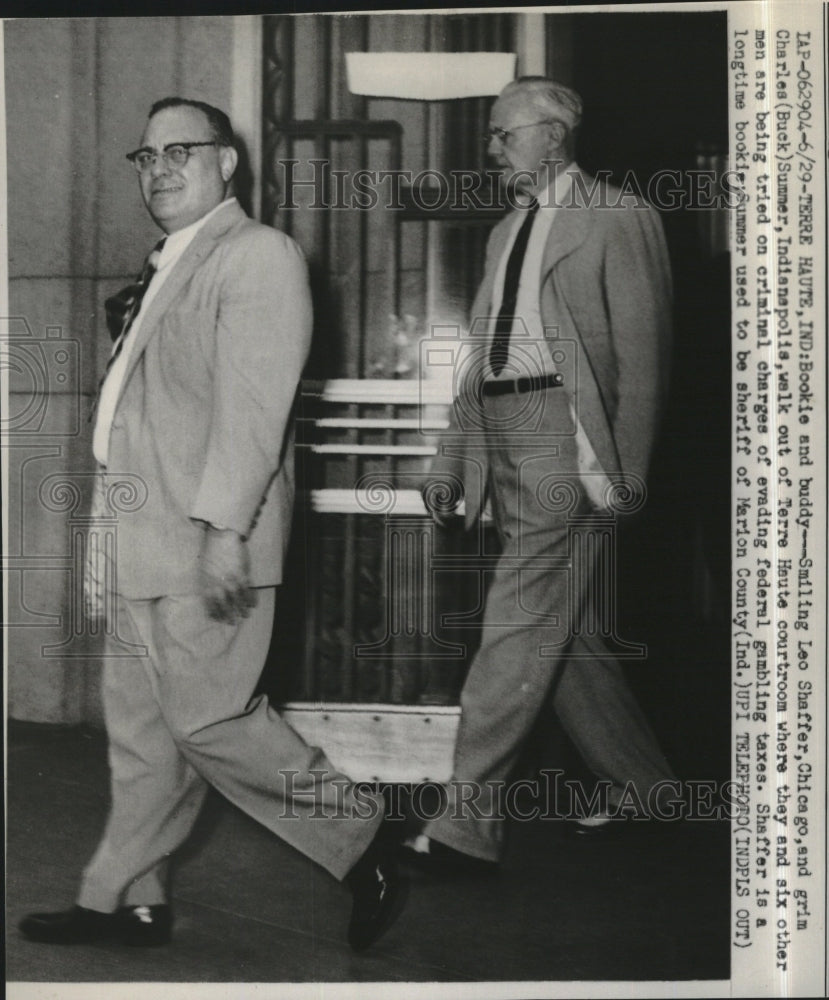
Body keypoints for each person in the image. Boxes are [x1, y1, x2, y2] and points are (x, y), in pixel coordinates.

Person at [20, 97, 404, 951]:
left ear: (227, 163)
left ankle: (363, 832)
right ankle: (126, 899)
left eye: (179, 151)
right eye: (145, 155)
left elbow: (253, 412)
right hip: (136, 533)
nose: (157, 168)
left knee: (210, 721)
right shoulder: (170, 262)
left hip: (204, 539)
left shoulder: (257, 255)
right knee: (144, 736)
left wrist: (225, 531)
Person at [407, 77, 677, 872]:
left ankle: (466, 824)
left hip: (567, 439)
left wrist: (621, 470)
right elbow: (478, 367)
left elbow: (644, 358)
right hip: (505, 432)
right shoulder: (504, 232)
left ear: (553, 134)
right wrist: (451, 463)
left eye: (504, 134)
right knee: (556, 633)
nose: (492, 150)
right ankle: (646, 789)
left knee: (517, 623)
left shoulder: (618, 217)